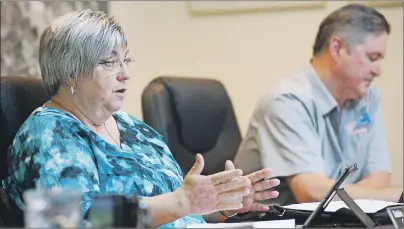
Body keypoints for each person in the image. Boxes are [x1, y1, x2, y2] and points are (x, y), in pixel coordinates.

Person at [0, 10, 280, 228]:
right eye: (110, 62)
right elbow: (74, 220)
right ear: (71, 73)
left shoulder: (135, 129)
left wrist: (219, 204)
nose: (125, 74)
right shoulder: (49, 133)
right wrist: (179, 202)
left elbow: (174, 209)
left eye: (126, 60)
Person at [234, 3, 403, 206]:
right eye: (372, 58)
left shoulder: (368, 96)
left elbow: (380, 180)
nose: (378, 71)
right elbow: (312, 192)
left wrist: (346, 193)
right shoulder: (286, 102)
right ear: (337, 48)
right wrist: (399, 196)